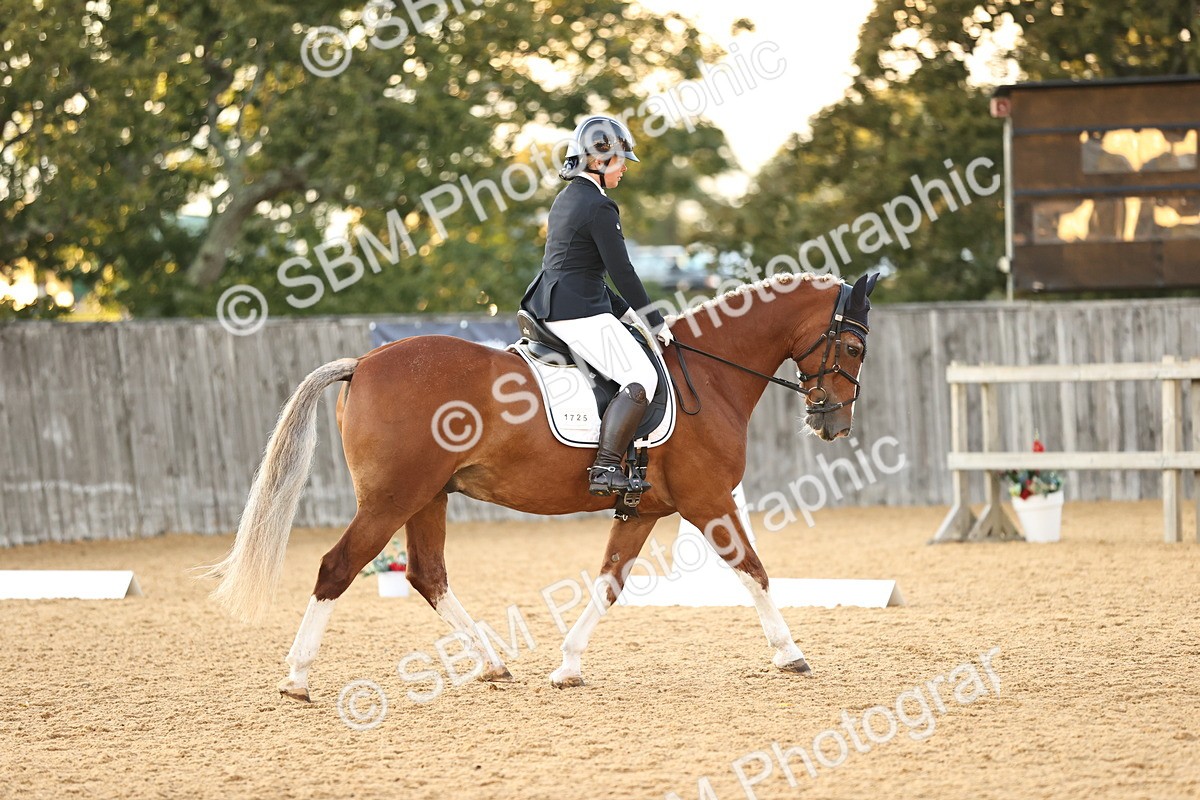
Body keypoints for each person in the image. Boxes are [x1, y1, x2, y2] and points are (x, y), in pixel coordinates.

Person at [520, 115, 674, 496]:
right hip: (578, 311)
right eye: (620, 160)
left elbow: (582, 267)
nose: (624, 169)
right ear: (598, 160)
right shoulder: (600, 206)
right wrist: (654, 321)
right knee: (643, 379)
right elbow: (622, 271)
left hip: (553, 302)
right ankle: (605, 467)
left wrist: (623, 312)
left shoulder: (567, 197)